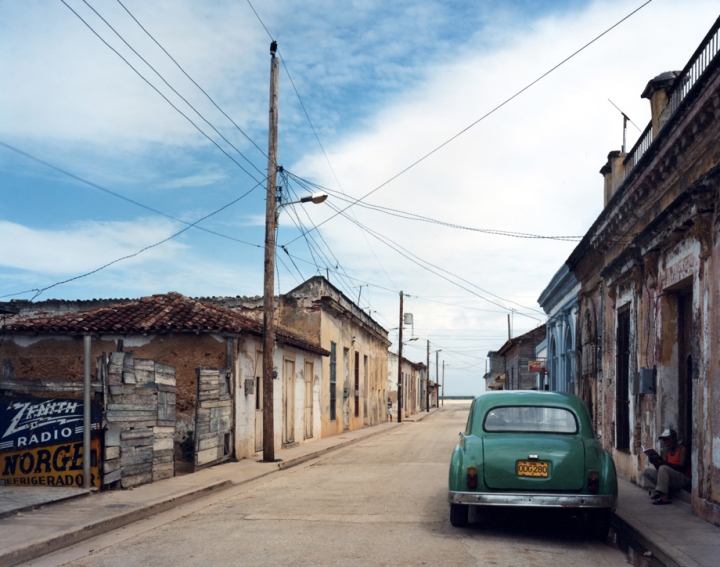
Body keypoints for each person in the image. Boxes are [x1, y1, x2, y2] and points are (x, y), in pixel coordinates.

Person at [642, 428, 691, 505]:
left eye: (667, 439)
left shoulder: (682, 449)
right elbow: (661, 471)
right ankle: (658, 493)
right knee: (647, 471)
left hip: (683, 478)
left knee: (663, 467)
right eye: (664, 440)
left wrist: (665, 463)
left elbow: (682, 467)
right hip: (671, 477)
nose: (666, 442)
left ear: (674, 438)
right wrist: (655, 462)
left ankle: (664, 497)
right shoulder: (666, 451)